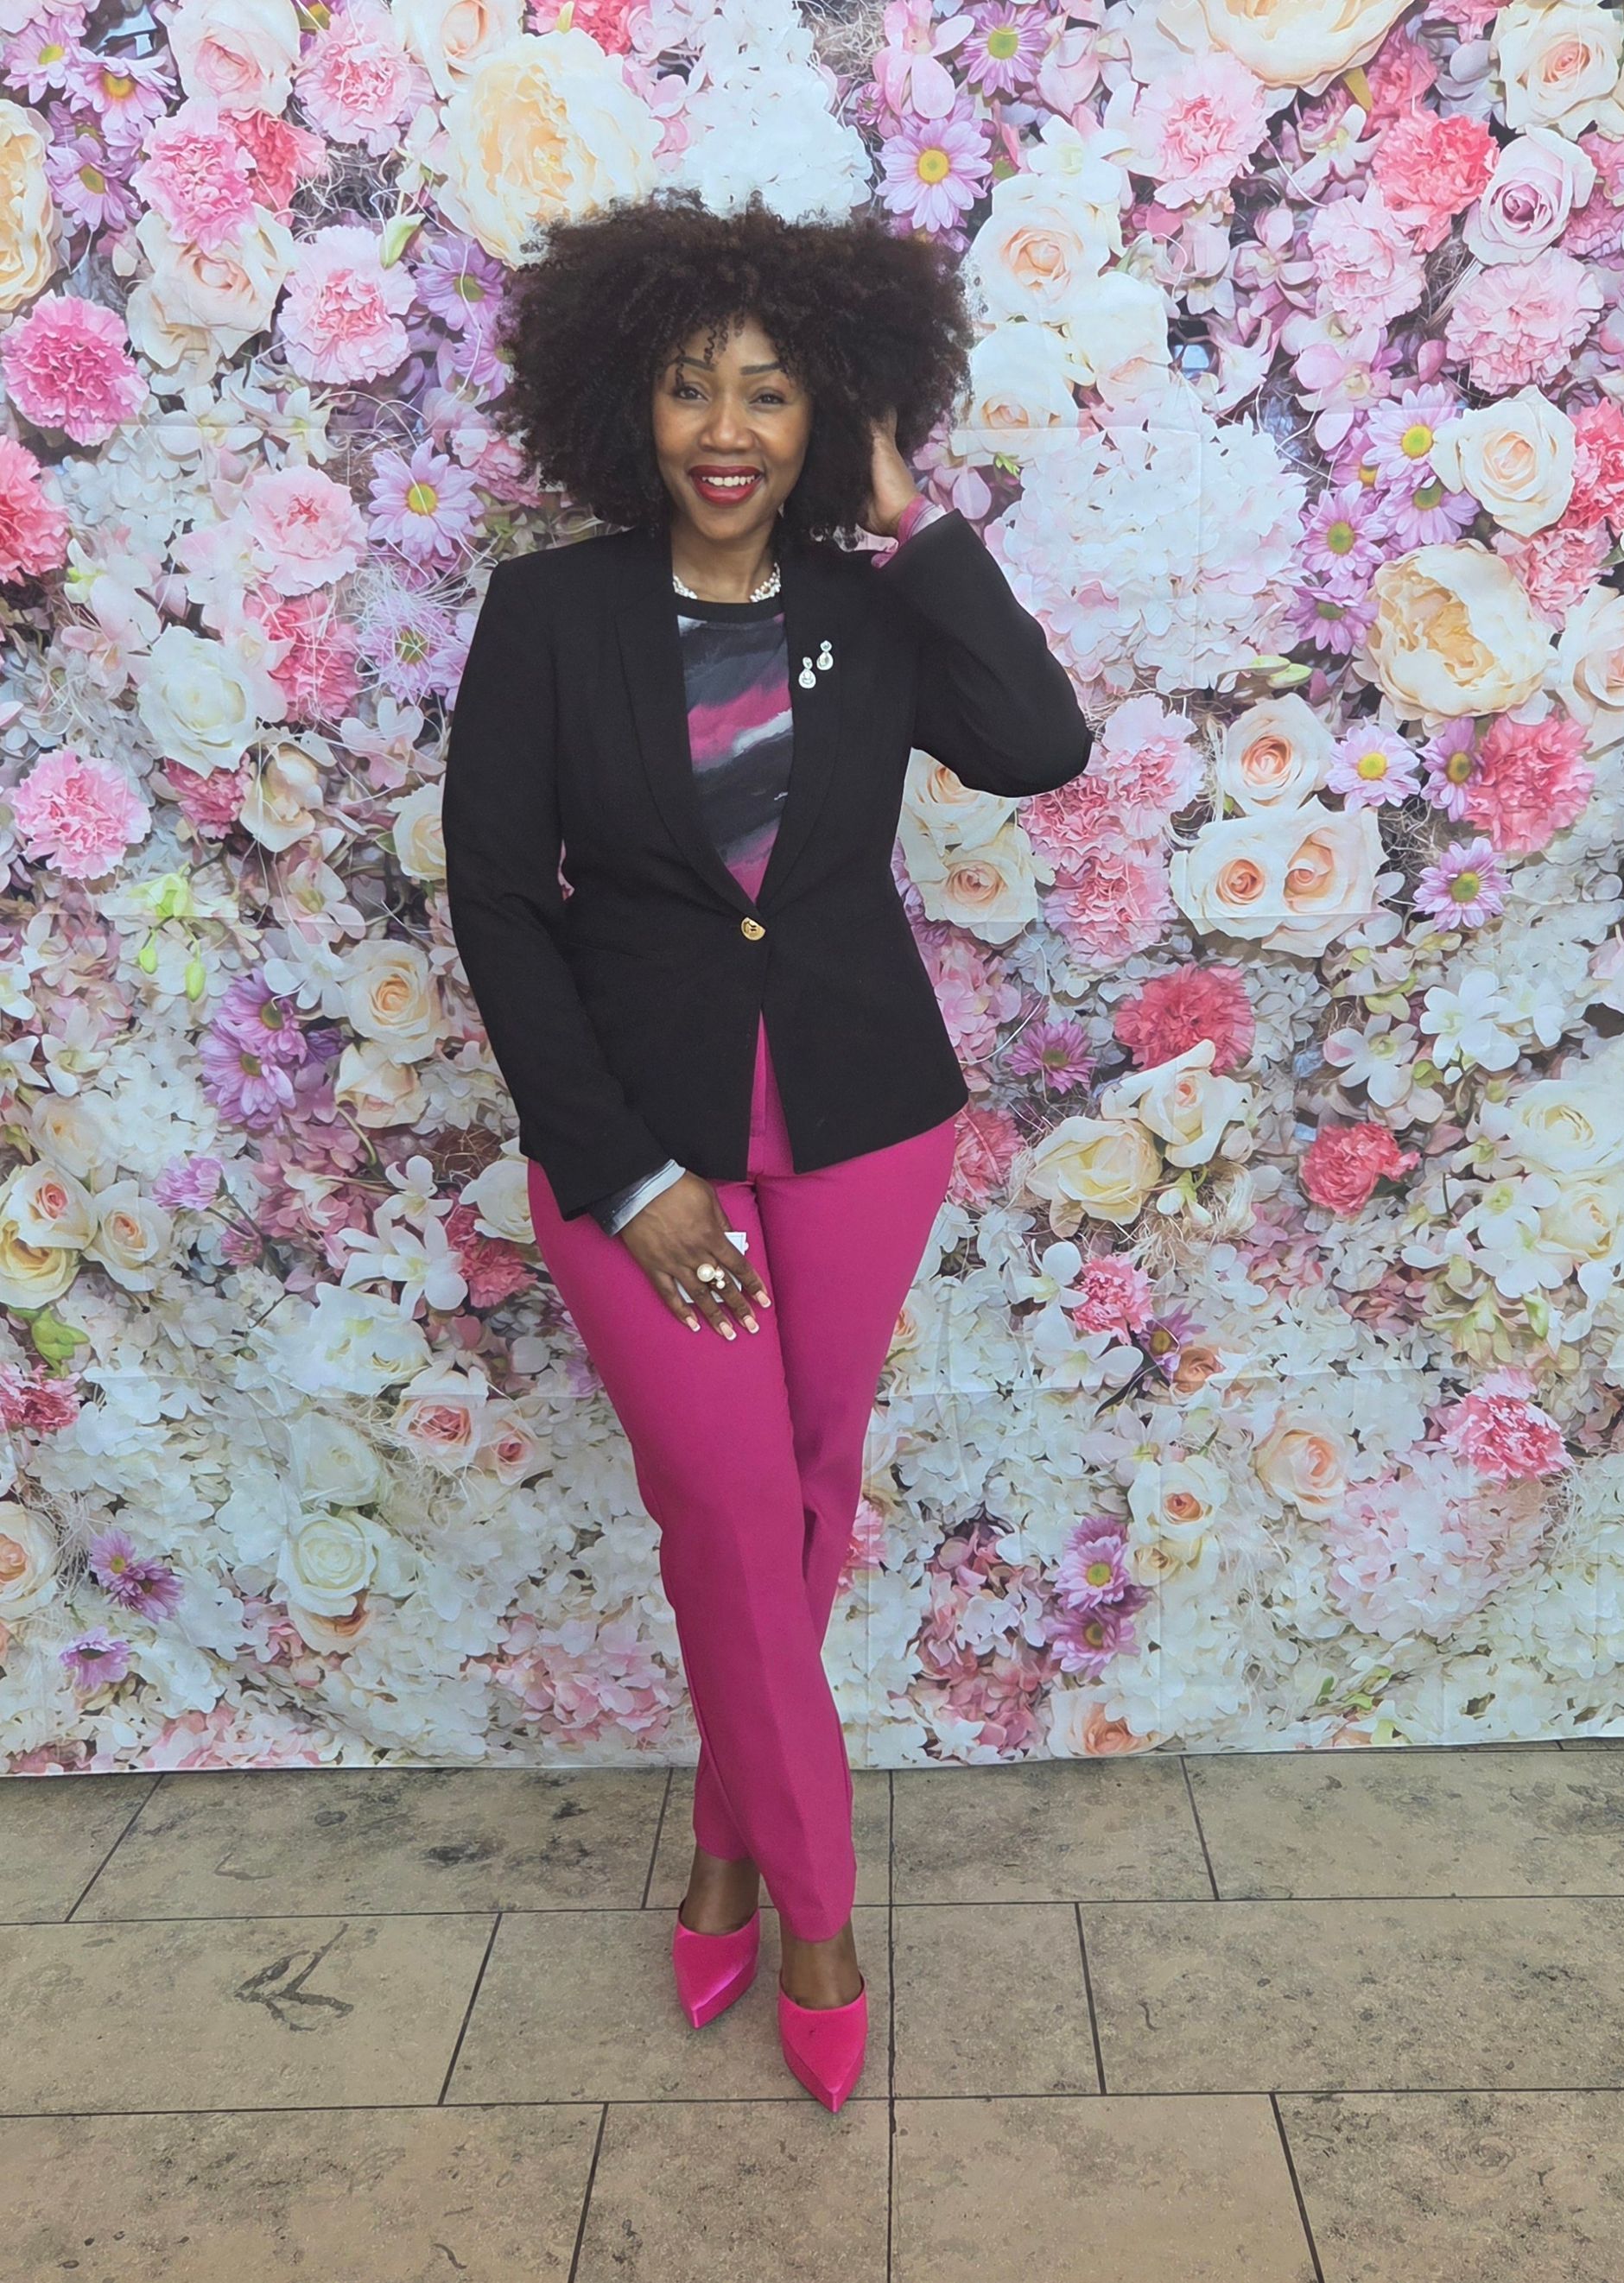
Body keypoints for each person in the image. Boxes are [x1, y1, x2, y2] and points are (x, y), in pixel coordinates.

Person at [441, 192, 1091, 2111]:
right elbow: (500, 903)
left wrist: (911, 514)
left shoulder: (870, 604)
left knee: (806, 1495)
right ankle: (819, 1913)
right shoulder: (550, 615)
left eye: (775, 391)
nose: (726, 429)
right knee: (727, 1511)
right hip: (638, 1140)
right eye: (687, 385)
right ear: (624, 405)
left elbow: (1039, 745)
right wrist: (631, 1180)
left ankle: (725, 1848)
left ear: (830, 414)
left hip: (863, 1118)